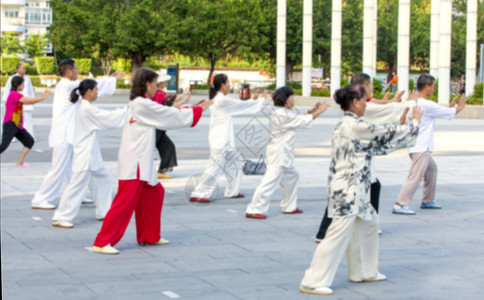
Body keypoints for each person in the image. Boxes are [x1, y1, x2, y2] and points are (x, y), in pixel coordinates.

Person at [299, 84, 422, 295]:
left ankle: (364, 271)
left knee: (369, 223)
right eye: (364, 100)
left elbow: (379, 139)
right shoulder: (352, 125)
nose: (366, 104)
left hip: (356, 187)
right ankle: (313, 280)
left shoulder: (351, 123)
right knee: (337, 234)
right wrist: (413, 124)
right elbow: (380, 134)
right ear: (355, 102)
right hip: (348, 190)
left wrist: (402, 126)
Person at [92, 68, 212, 254]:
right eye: (155, 84)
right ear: (146, 84)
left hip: (142, 160)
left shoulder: (141, 103)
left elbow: (163, 112)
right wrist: (198, 110)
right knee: (124, 202)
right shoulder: (141, 104)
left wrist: (189, 108)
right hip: (135, 162)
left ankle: (149, 235)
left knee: (154, 193)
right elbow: (167, 116)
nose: (157, 88)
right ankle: (102, 241)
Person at [315, 73, 417, 241]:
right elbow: (384, 126)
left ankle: (363, 227)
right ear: (357, 100)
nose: (370, 91)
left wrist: (399, 109)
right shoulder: (356, 120)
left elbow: (382, 117)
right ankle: (328, 232)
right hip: (352, 170)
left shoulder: (351, 117)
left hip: (354, 167)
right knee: (345, 202)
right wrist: (412, 112)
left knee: (368, 189)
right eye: (370, 86)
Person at [31, 59, 125, 210]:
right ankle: (41, 198)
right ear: (68, 72)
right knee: (58, 168)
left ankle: (78, 195)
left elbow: (88, 87)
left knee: (71, 169)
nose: (77, 72)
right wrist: (112, 79)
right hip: (62, 135)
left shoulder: (68, 86)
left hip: (68, 134)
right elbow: (87, 86)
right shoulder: (66, 85)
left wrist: (109, 79)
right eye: (75, 69)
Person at [51, 79, 126, 228]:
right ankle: (61, 216)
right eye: (96, 90)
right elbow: (108, 118)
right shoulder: (86, 108)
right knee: (76, 186)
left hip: (91, 154)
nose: (97, 93)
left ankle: (104, 212)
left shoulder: (85, 107)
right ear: (89, 91)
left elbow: (107, 117)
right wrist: (126, 110)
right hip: (85, 154)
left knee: (103, 180)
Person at [245, 86, 329, 219]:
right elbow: (301, 121)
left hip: (284, 153)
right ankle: (255, 208)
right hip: (278, 153)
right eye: (292, 98)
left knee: (292, 176)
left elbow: (298, 119)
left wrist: (313, 111)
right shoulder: (281, 114)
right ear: (285, 100)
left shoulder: (283, 112)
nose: (293, 100)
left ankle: (289, 206)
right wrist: (321, 111)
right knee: (270, 180)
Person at [393, 74, 467, 214]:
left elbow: (440, 111)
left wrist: (449, 109)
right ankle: (400, 204)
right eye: (432, 86)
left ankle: (427, 200)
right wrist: (460, 107)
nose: (433, 89)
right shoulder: (426, 104)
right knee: (415, 176)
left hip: (417, 145)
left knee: (431, 169)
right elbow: (449, 112)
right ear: (427, 87)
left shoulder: (416, 102)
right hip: (421, 147)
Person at [189, 73, 267, 202]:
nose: (229, 85)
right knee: (215, 167)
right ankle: (199, 193)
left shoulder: (218, 98)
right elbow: (242, 106)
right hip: (220, 140)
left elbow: (240, 105)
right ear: (222, 85)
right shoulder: (221, 99)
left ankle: (232, 191)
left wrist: (253, 101)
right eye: (228, 83)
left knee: (235, 163)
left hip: (225, 139)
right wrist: (261, 100)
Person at [0, 76, 50, 165]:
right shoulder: (14, 94)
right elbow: (30, 101)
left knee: (29, 141)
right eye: (23, 84)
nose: (24, 86)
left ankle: (20, 162)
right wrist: (42, 98)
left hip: (17, 124)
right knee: (3, 146)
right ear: (18, 85)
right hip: (10, 124)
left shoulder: (16, 94)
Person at [151, 73, 191, 179]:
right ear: (159, 83)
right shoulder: (158, 93)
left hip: (160, 126)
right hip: (155, 126)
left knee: (168, 146)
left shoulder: (158, 93)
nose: (165, 83)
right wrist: (184, 94)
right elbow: (173, 99)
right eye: (164, 81)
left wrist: (184, 101)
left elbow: (171, 105)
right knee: (150, 148)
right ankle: (146, 170)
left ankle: (161, 170)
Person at [2, 64, 36, 139]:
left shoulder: (27, 78)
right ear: (18, 69)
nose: (25, 70)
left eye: (25, 69)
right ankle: (11, 137)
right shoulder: (12, 78)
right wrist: (6, 100)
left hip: (26, 102)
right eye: (23, 68)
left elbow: (30, 90)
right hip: (15, 103)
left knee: (28, 121)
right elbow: (7, 90)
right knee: (14, 121)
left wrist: (32, 100)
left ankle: (31, 136)